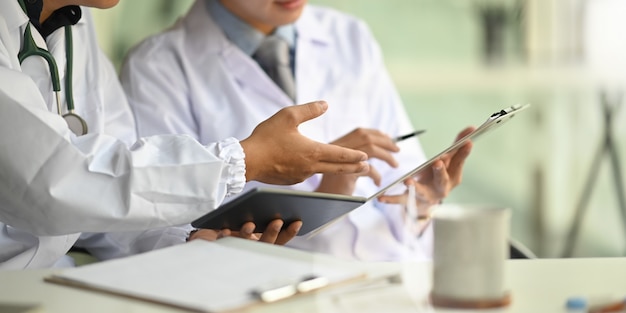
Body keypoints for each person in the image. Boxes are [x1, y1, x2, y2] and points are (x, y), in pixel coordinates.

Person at [0, 0, 371, 269]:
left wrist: (186, 240)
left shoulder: (75, 25)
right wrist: (246, 159)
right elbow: (54, 183)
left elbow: (108, 195)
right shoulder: (157, 61)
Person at [120, 0, 473, 261]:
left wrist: (422, 198)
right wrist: (331, 188)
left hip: (395, 274)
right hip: (267, 287)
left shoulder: (350, 36)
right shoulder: (156, 68)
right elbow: (162, 229)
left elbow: (399, 185)